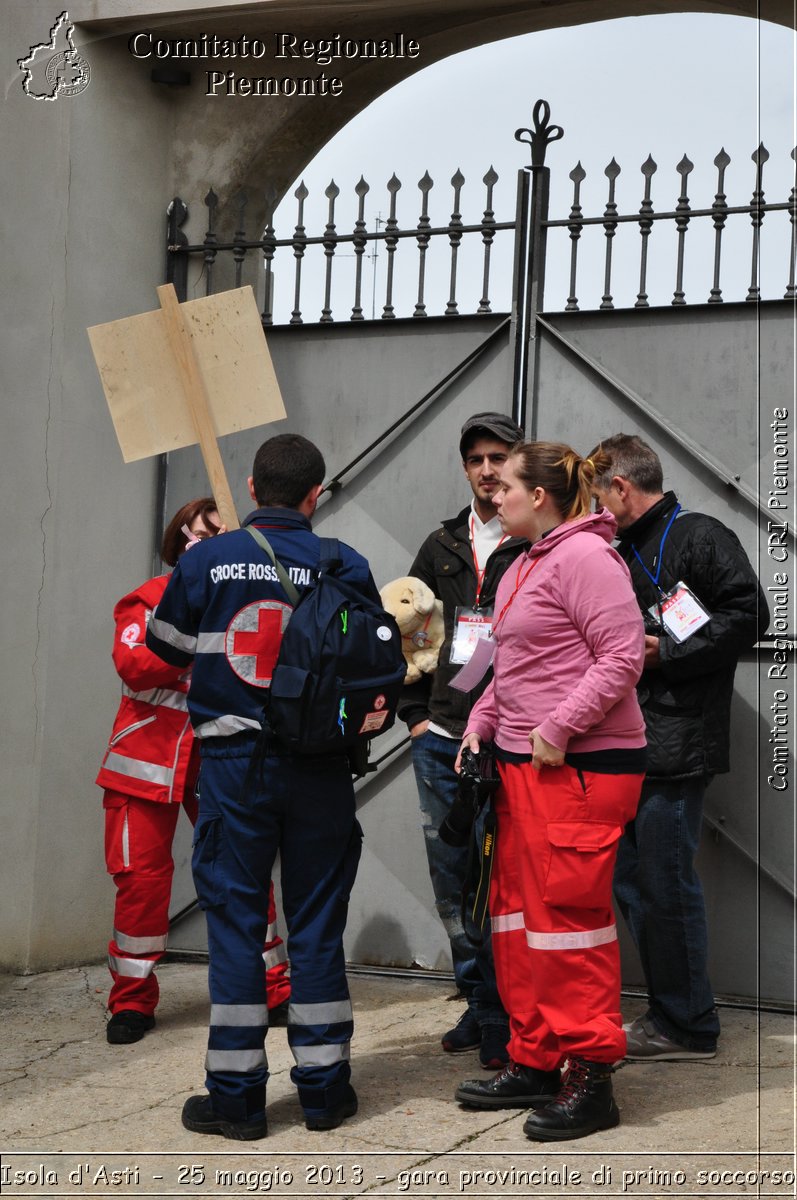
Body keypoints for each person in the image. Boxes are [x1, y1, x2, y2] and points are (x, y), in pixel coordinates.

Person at [146, 434, 378, 1140]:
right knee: (314, 929)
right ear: (315, 496)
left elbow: (165, 647)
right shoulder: (345, 562)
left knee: (239, 933)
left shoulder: (206, 559)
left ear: (251, 487)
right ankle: (324, 1094)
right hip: (319, 772)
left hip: (232, 770)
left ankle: (238, 1102)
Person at [454, 441, 647, 1141]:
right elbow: (507, 664)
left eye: (502, 484)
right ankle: (533, 1056)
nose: (491, 493)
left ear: (539, 495)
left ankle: (590, 1077)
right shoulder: (522, 563)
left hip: (578, 769)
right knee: (515, 918)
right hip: (518, 768)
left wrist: (559, 726)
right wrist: (479, 722)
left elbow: (621, 656)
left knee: (567, 923)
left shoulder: (586, 558)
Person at [589, 433, 769, 1061]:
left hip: (675, 741)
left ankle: (688, 1024)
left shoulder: (698, 534)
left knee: (664, 882)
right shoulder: (618, 545)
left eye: (597, 495)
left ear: (620, 487)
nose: (592, 508)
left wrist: (669, 651)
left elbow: (751, 614)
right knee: (637, 882)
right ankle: (670, 1012)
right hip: (631, 743)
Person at [97, 498, 290, 1045]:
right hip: (143, 765)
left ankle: (274, 986)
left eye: (220, 533)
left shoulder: (245, 599)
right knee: (140, 884)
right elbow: (135, 666)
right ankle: (131, 1001)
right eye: (201, 534)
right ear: (179, 542)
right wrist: (198, 623)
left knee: (245, 873)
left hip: (221, 759)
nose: (209, 542)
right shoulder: (146, 599)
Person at [398, 411, 525, 1070]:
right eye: (475, 458)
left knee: (502, 880)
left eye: (497, 457)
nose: (486, 469)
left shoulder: (534, 540)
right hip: (441, 737)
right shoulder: (442, 545)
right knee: (452, 881)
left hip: (511, 740)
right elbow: (414, 632)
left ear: (516, 462)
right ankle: (478, 1005)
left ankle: (509, 1013)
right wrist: (415, 715)